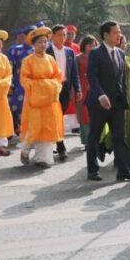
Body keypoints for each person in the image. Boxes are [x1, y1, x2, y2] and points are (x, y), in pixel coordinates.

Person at [86, 21, 130, 182]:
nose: (119, 35)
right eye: (116, 32)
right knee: (94, 136)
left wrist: (125, 103)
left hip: (117, 103)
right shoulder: (96, 53)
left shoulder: (120, 53)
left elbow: (122, 81)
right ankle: (93, 170)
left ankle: (123, 170)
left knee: (120, 136)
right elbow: (92, 76)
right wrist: (101, 95)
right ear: (106, 35)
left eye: (119, 32)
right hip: (99, 103)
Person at [19, 26, 64, 167]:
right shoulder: (28, 60)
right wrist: (40, 86)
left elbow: (58, 76)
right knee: (35, 127)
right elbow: (24, 79)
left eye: (45, 42)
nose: (43, 45)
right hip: (34, 100)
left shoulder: (51, 59)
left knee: (49, 127)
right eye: (39, 42)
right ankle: (25, 150)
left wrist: (52, 86)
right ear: (34, 44)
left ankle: (42, 159)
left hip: (50, 100)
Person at [46, 24, 82, 161]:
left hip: (65, 88)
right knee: (55, 117)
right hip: (50, 88)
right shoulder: (47, 50)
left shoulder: (69, 52)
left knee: (59, 116)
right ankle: (60, 146)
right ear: (53, 36)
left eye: (64, 35)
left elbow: (74, 73)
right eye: (60, 35)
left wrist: (77, 88)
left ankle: (55, 142)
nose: (63, 37)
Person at [7, 25, 34, 136]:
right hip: (17, 84)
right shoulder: (15, 50)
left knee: (31, 110)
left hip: (33, 85)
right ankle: (12, 127)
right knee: (15, 107)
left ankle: (28, 133)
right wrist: (10, 85)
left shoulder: (37, 51)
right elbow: (9, 68)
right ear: (25, 36)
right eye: (32, 35)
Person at [75, 35, 98, 152]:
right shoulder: (78, 58)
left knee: (96, 114)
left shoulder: (98, 57)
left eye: (94, 45)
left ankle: (97, 140)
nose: (92, 48)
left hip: (96, 88)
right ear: (84, 46)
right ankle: (87, 141)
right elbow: (75, 75)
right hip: (83, 88)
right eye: (90, 45)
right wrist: (77, 89)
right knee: (85, 114)